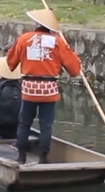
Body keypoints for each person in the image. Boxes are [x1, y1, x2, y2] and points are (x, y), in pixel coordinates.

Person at [6, 9, 81, 164]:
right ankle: (43, 157)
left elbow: (10, 63)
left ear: (37, 24)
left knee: (24, 123)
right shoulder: (58, 42)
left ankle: (21, 157)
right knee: (46, 125)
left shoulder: (24, 39)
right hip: (49, 89)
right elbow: (74, 70)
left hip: (29, 89)